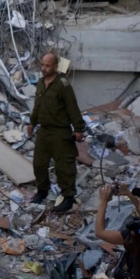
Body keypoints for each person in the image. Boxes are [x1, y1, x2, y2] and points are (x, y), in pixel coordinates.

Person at [27, 52, 85, 212]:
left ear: (55, 66)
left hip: (60, 132)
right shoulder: (41, 83)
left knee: (64, 166)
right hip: (44, 131)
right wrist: (32, 122)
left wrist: (78, 128)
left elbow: (72, 107)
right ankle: (42, 191)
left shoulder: (62, 85)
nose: (44, 68)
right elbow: (37, 105)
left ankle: (68, 197)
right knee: (39, 163)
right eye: (42, 65)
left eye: (47, 66)